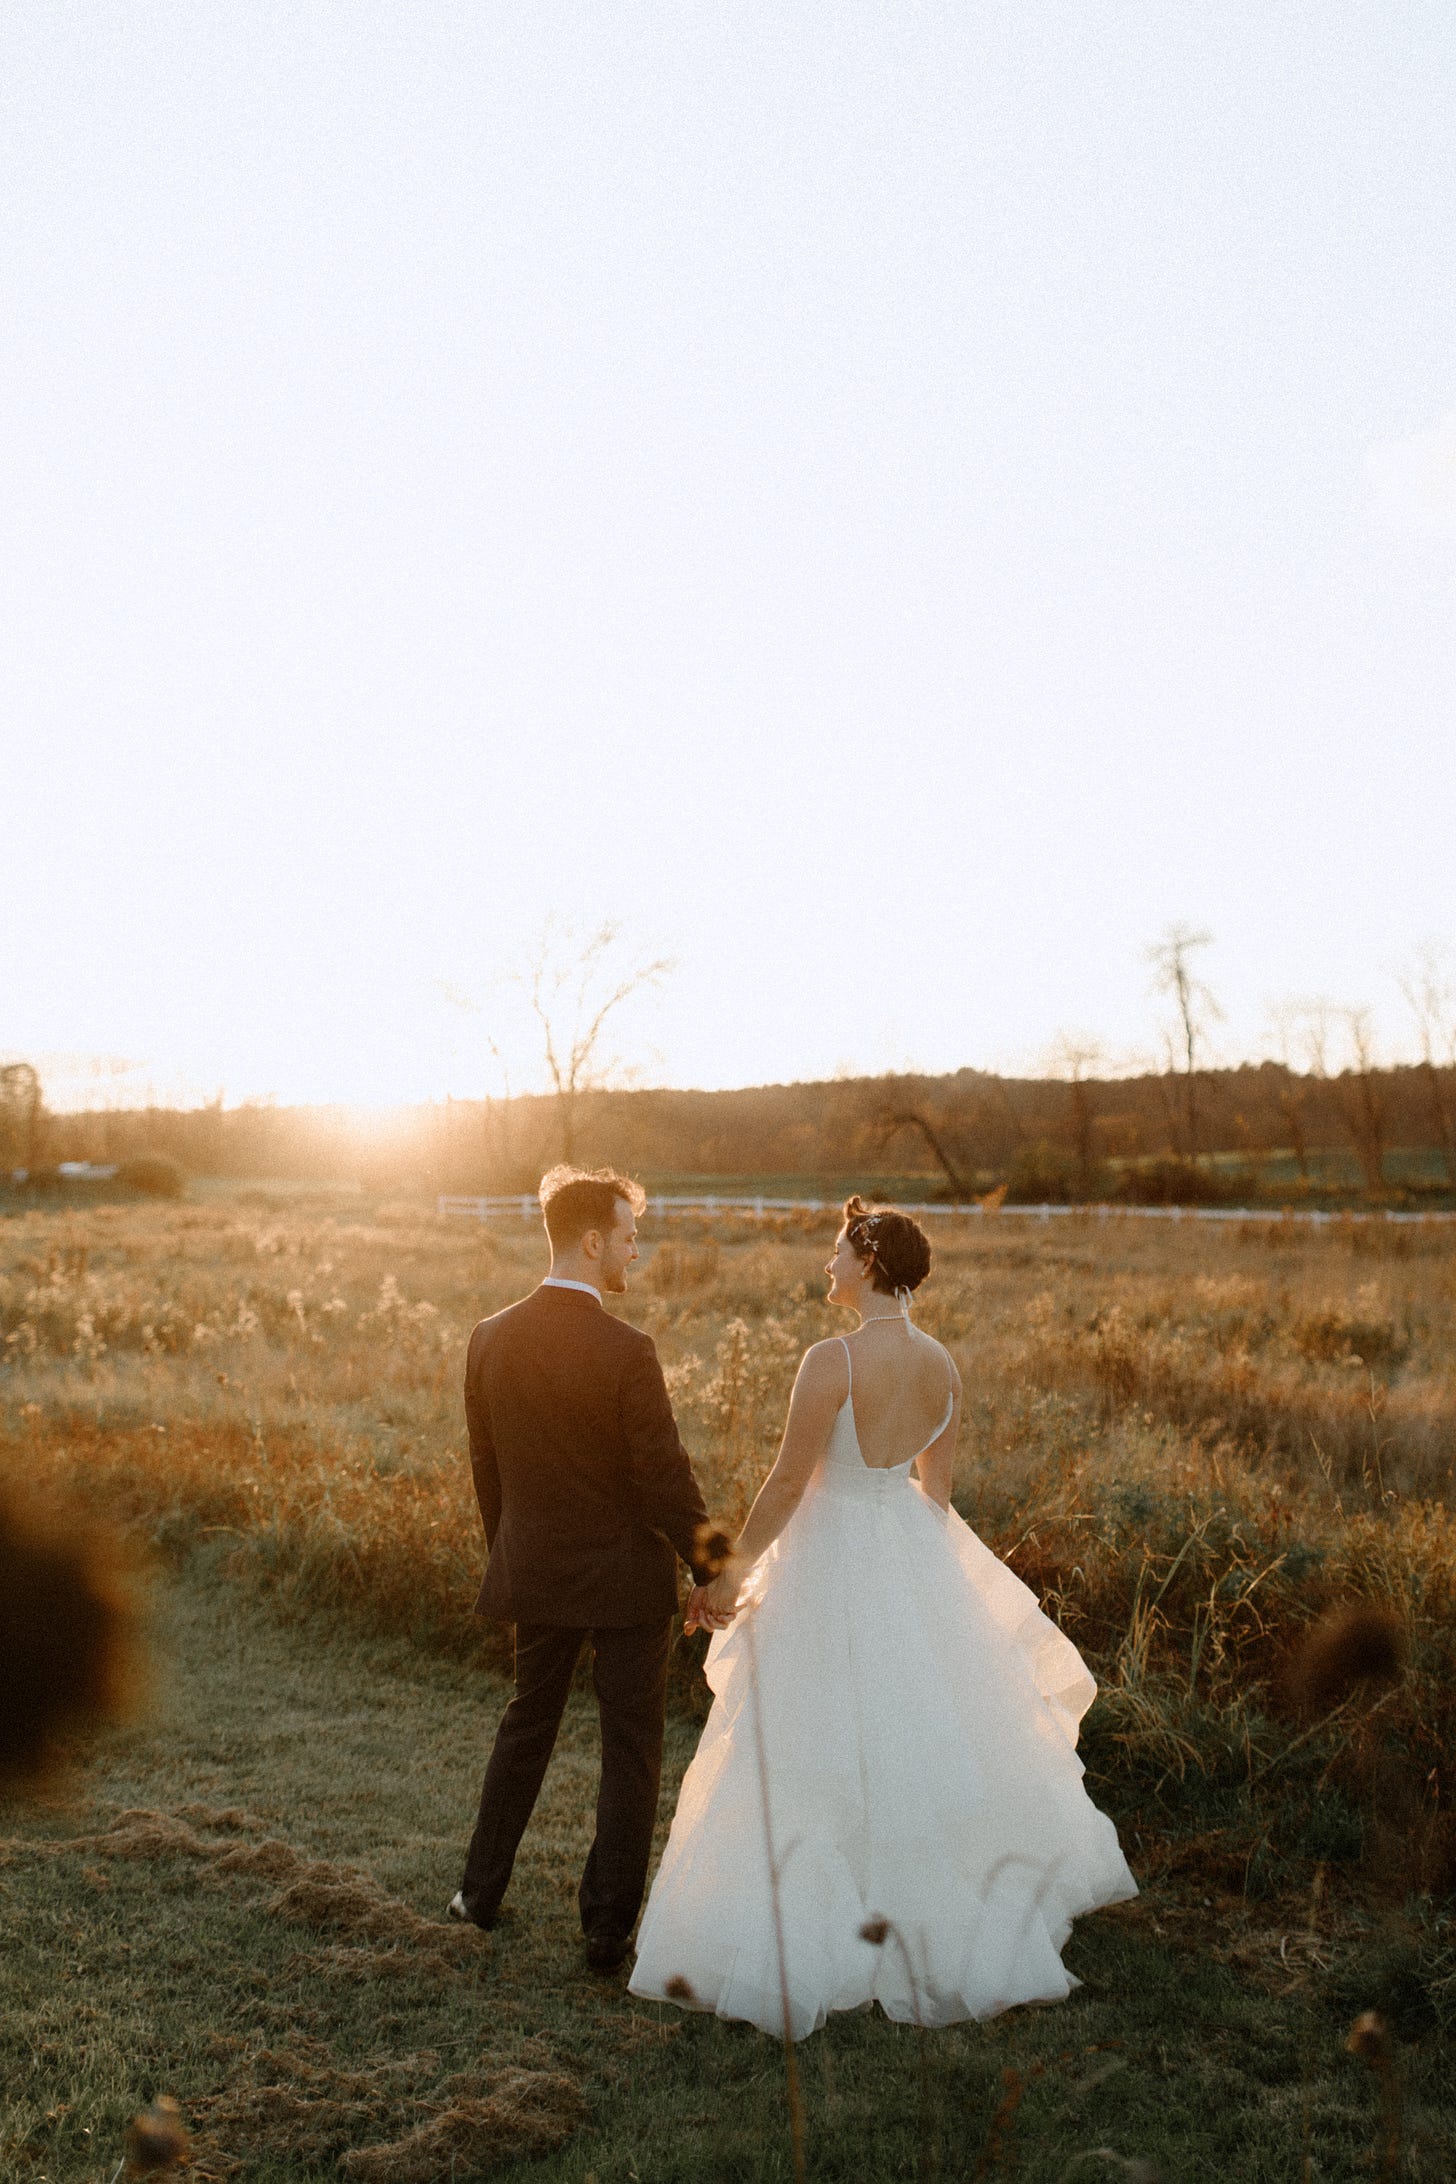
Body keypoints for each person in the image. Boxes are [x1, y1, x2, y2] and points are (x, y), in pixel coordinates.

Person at [630, 1197, 1137, 2038]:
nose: (827, 1265)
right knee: (907, 1735)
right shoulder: (943, 1365)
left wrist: (728, 1574)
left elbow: (789, 1484)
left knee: (809, 1742)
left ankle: (806, 1934)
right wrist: (918, 1588)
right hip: (903, 1549)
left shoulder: (831, 1360)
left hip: (829, 1555)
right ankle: (917, 1911)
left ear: (867, 1261)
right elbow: (935, 1497)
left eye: (836, 1252)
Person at [449, 1165, 729, 1972]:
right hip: (623, 1584)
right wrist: (716, 1566)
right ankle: (606, 1932)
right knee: (630, 1746)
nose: (635, 1254)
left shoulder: (488, 1337)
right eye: (630, 1238)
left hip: (535, 1567)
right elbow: (664, 1478)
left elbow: (487, 1470)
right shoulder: (626, 1350)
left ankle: (477, 1894)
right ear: (594, 1239)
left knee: (525, 1724)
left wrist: (516, 1551)